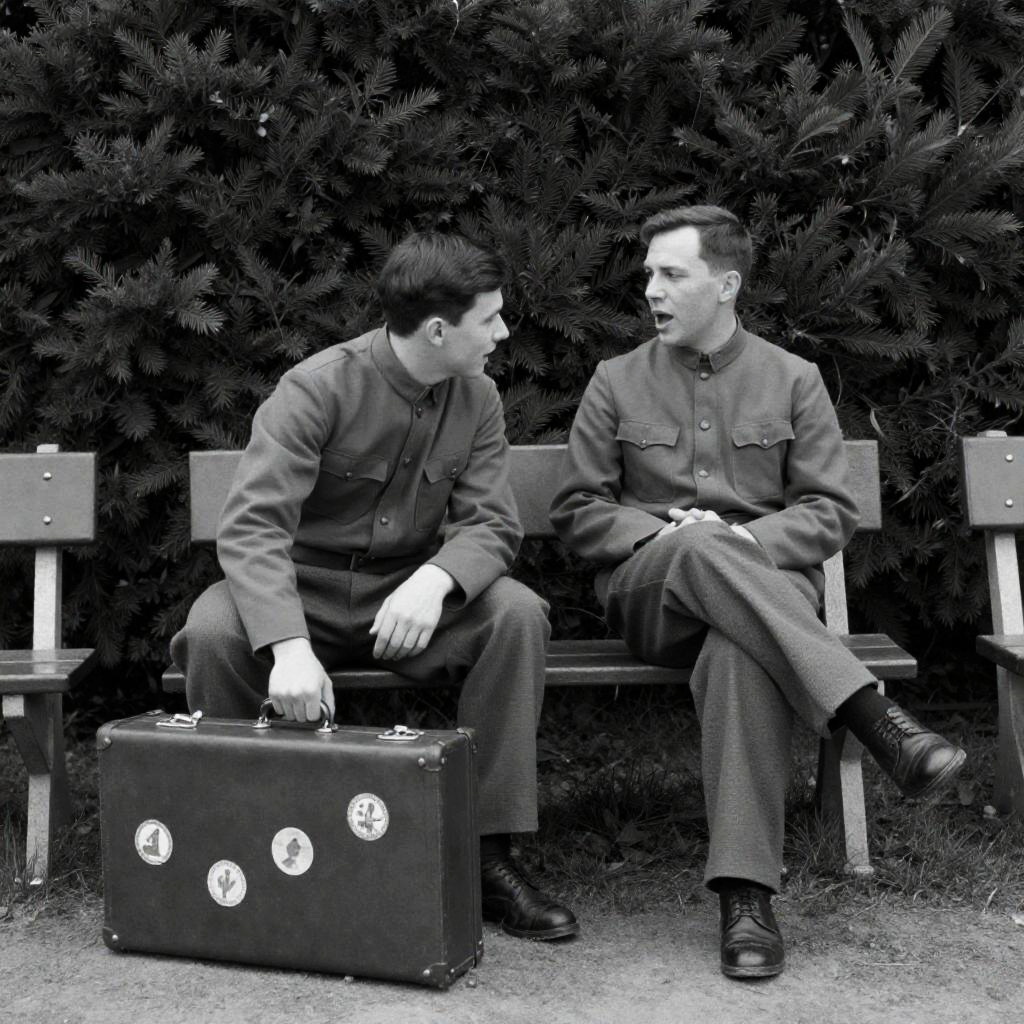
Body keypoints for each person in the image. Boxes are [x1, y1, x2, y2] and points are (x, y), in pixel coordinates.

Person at [549, 205, 965, 977]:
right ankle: (868, 713)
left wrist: (747, 541)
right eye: (650, 275)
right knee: (697, 544)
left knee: (739, 653)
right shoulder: (617, 380)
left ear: (726, 284)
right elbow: (577, 509)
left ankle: (747, 900)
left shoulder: (793, 379)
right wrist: (670, 537)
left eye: (672, 274)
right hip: (654, 594)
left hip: (762, 601)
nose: (652, 290)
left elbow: (829, 510)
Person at [171, 231, 578, 941]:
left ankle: (485, 856)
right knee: (210, 632)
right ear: (439, 330)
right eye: (491, 319)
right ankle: (247, 846)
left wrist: (436, 580)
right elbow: (253, 527)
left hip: (408, 603)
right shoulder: (315, 388)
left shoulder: (478, 397)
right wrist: (288, 645)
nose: (504, 333)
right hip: (301, 594)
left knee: (517, 615)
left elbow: (491, 523)